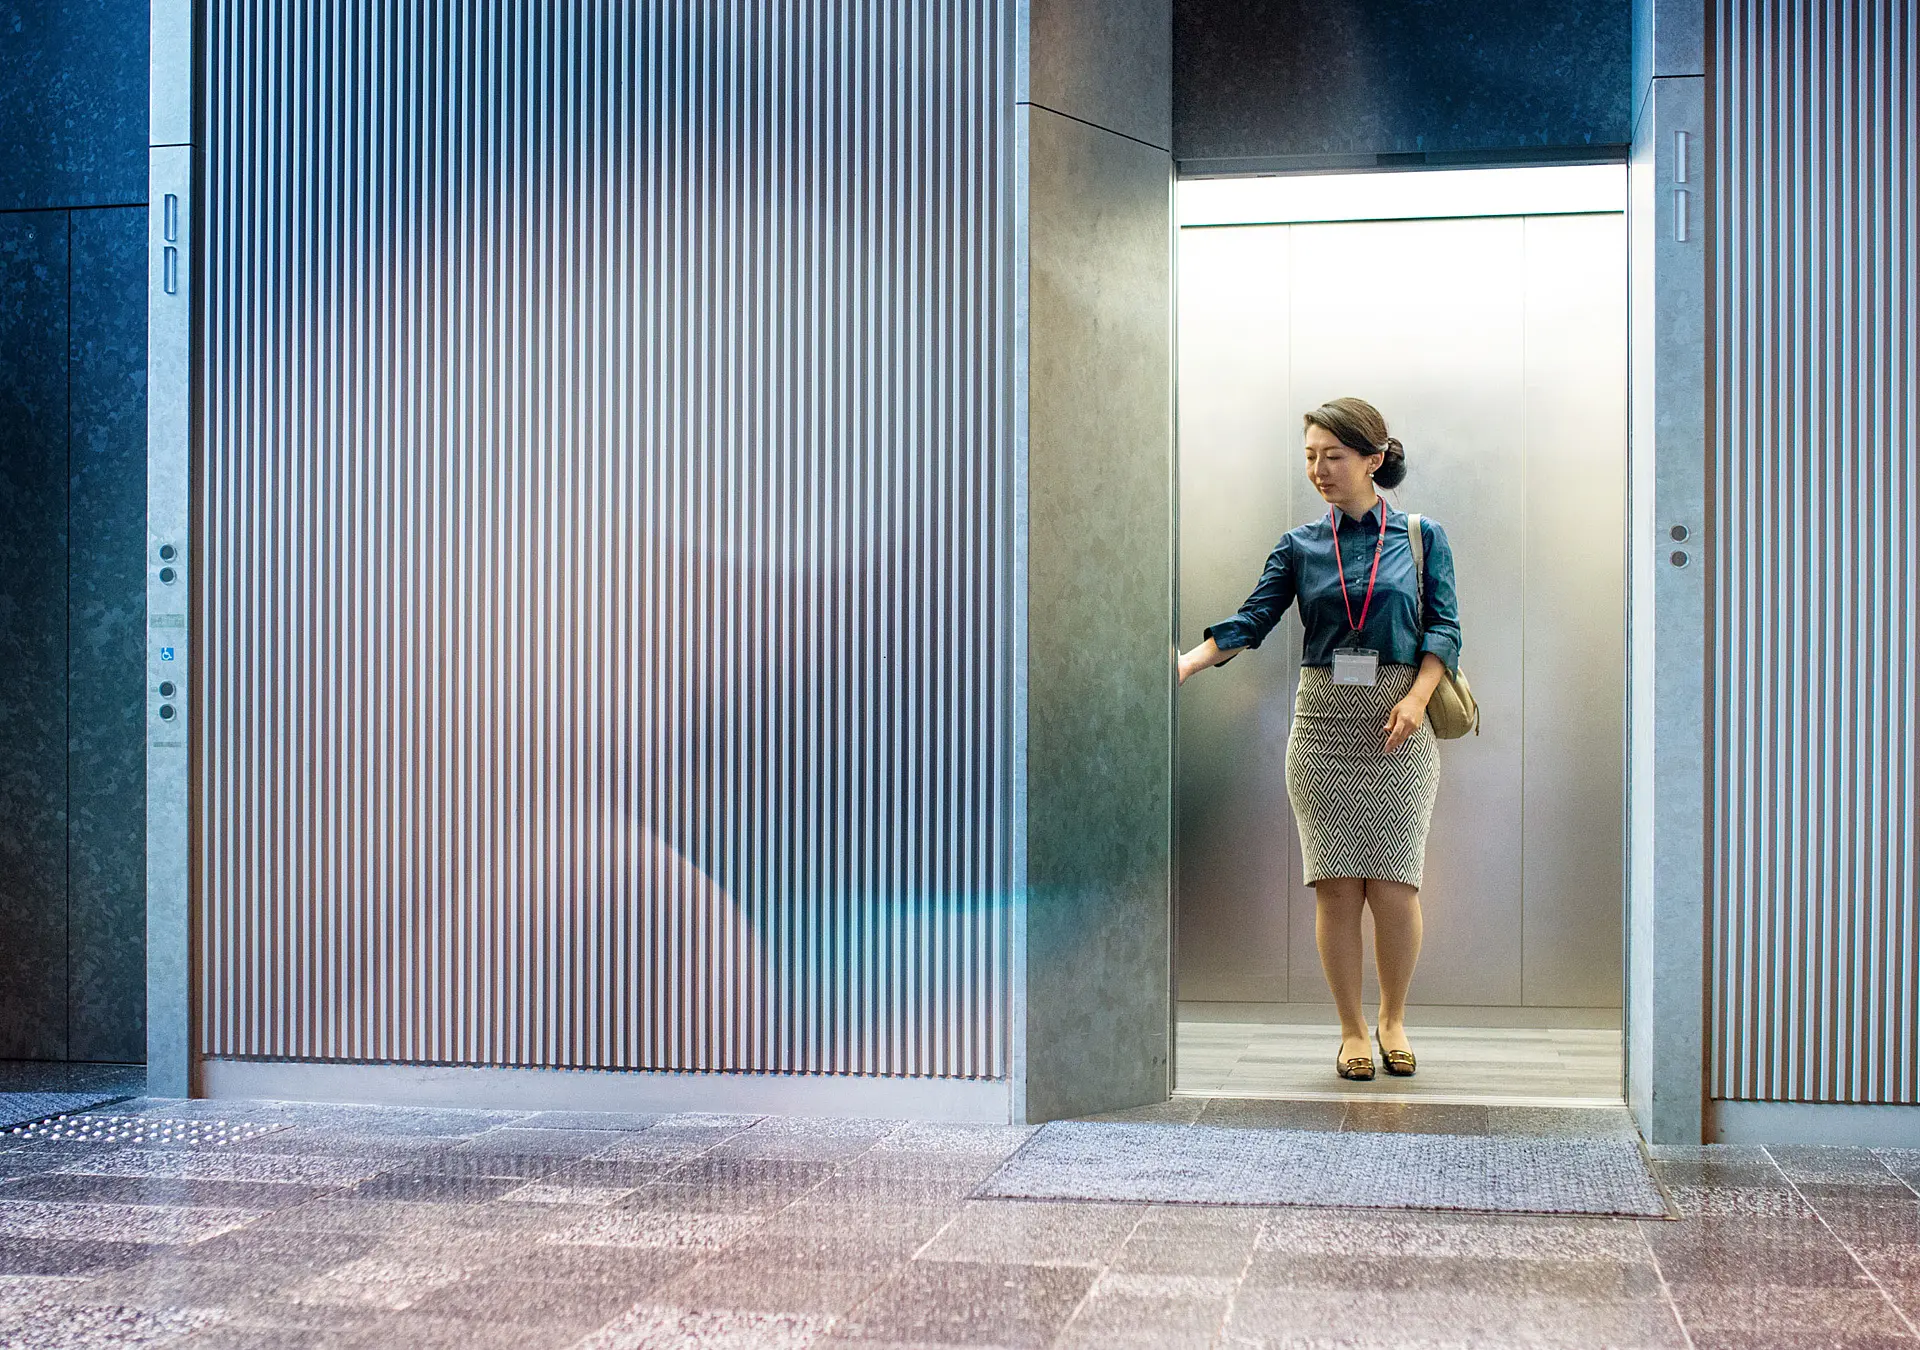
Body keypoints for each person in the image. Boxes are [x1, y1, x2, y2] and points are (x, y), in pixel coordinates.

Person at [1176, 397, 1462, 1082]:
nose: (1319, 469)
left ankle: (1392, 1017)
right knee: (1335, 888)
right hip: (1322, 726)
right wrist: (1186, 663)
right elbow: (1254, 619)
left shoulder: (1423, 537)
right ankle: (1351, 1029)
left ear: (1372, 458)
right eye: (1309, 456)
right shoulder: (1299, 545)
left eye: (1332, 455)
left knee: (1395, 887)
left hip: (1400, 722)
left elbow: (1444, 629)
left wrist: (1418, 701)